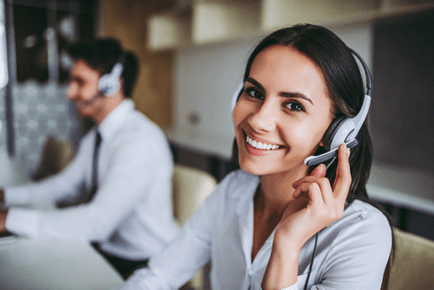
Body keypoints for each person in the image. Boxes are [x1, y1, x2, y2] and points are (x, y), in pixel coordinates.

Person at [116, 24, 393, 289]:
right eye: (254, 92)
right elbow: (158, 276)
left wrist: (287, 245)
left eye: (293, 105)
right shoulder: (232, 192)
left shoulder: (361, 234)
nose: (259, 120)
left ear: (337, 131)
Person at [0, 38, 179, 279]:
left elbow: (97, 222)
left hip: (142, 263)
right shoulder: (97, 135)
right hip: (108, 251)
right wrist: (6, 197)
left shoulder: (137, 142)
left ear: (111, 85)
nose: (70, 92)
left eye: (80, 82)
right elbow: (64, 186)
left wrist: (10, 220)